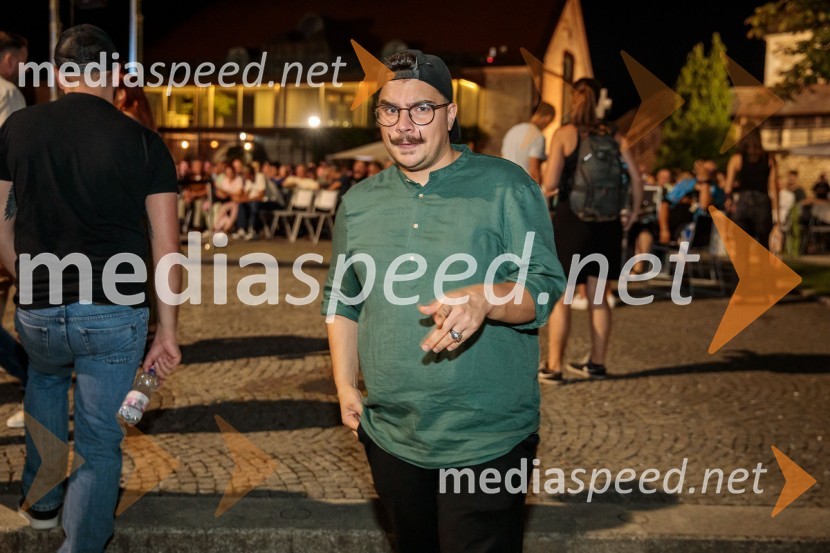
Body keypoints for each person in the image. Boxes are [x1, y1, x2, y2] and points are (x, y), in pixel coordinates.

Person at [322, 49, 564, 553]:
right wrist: (345, 385)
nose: (404, 126)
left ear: (450, 114)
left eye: (421, 110)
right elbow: (343, 300)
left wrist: (486, 299)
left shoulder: (506, 186)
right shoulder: (358, 203)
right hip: (391, 434)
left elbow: (543, 284)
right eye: (390, 110)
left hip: (487, 438)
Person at [0, 25, 181, 550]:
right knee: (101, 439)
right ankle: (81, 543)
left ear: (58, 74)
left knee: (46, 382)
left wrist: (27, 276)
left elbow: (0, 226)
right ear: (118, 75)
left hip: (39, 304)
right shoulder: (145, 143)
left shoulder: (17, 129)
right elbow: (167, 249)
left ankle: (43, 503)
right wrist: (166, 331)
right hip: (113, 308)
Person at [540, 77, 643, 382]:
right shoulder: (615, 136)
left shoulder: (565, 134)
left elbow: (551, 184)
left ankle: (554, 366)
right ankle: (596, 363)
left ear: (573, 100)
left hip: (572, 223)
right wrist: (634, 212)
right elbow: (636, 179)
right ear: (597, 100)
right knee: (599, 297)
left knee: (563, 298)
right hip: (608, 225)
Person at [0, 31, 29, 428]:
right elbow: (11, 159)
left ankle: (33, 378)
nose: (25, 68)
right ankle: (33, 377)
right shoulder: (8, 94)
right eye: (24, 60)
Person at [725, 127, 778, 249]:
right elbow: (773, 188)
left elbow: (728, 188)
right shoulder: (769, 159)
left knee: (741, 248)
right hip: (763, 204)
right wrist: (777, 216)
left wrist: (730, 200)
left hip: (743, 203)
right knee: (763, 247)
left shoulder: (736, 159)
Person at [501, 102, 556, 184]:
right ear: (547, 118)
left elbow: (503, 158)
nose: (548, 125)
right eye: (550, 122)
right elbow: (534, 172)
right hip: (523, 188)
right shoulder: (538, 136)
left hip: (506, 183)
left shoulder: (512, 130)